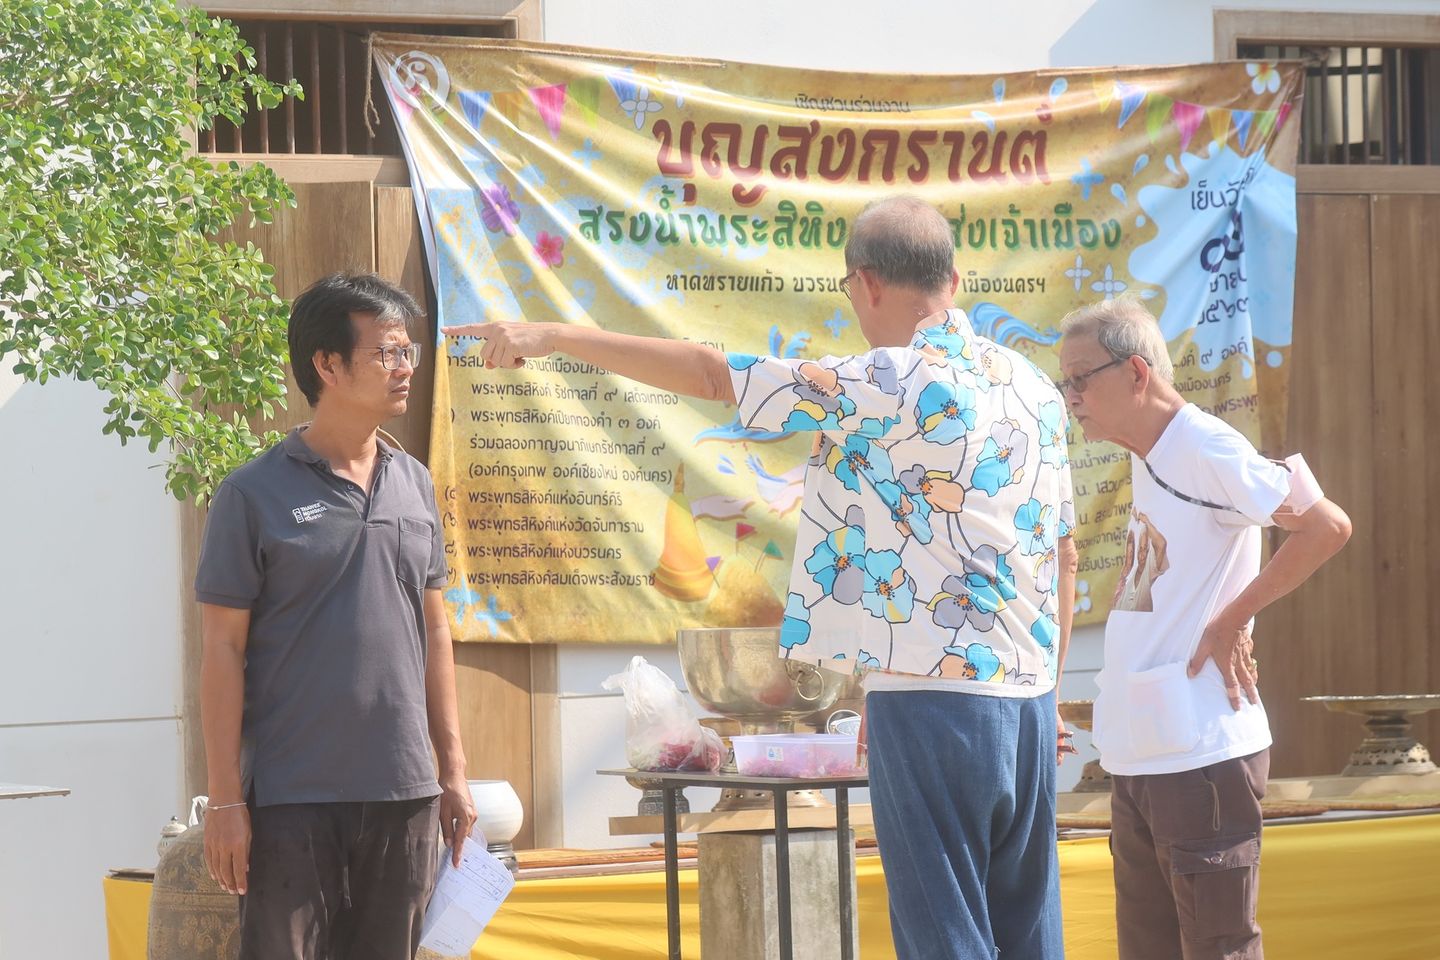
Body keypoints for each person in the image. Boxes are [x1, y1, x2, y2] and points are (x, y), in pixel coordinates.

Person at [444, 195, 1078, 960]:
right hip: (1029, 700)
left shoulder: (891, 377)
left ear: (867, 283)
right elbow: (1065, 554)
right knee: (1028, 936)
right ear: (956, 278)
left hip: (934, 700)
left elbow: (715, 376)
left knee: (946, 936)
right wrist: (1044, 689)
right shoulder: (1035, 387)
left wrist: (552, 335)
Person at [1058, 298, 1351, 960]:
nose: (1071, 398)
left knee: (1218, 947)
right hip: (1143, 753)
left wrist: (1233, 617)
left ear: (1136, 372)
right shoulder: (1151, 452)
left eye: (1080, 379)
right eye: (1064, 382)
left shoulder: (1205, 445)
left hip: (1200, 756)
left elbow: (1326, 526)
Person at [195, 273, 477, 960]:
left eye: (408, 351)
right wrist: (225, 800)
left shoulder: (414, 483)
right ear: (327, 364)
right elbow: (221, 652)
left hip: (405, 794)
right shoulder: (251, 494)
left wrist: (453, 769)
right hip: (291, 798)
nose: (405, 367)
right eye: (386, 352)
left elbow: (434, 630)